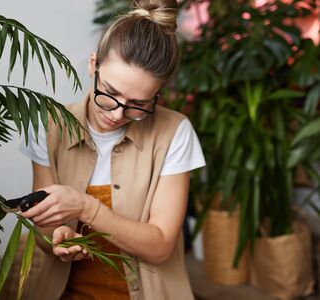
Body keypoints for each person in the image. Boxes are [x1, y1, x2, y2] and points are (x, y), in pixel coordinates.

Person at [19, 0, 205, 298]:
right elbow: (40, 226)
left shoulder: (175, 133)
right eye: (111, 94)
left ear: (157, 95)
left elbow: (160, 246)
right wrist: (57, 238)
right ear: (94, 64)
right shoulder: (48, 126)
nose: (118, 114)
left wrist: (85, 207)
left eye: (139, 104)